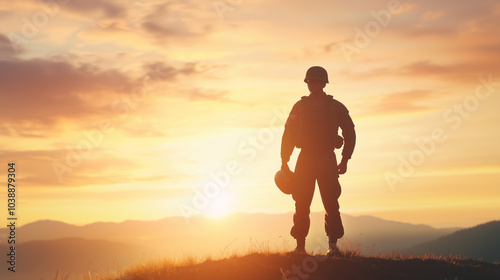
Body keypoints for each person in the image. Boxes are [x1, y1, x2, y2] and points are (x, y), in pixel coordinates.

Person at [280, 66, 356, 254]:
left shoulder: (335, 107)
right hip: (305, 158)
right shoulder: (299, 106)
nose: (312, 84)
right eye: (310, 81)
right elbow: (288, 133)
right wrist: (285, 159)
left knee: (331, 202)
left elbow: (350, 131)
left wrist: (345, 158)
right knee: (301, 201)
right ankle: (299, 247)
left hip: (326, 159)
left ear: (323, 83)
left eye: (316, 81)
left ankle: (333, 246)